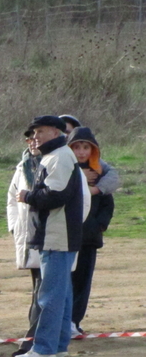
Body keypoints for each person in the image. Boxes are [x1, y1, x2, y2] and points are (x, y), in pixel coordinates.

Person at [14, 116, 85, 357]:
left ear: (55, 132)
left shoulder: (60, 157)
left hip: (57, 235)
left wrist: (27, 196)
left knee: (50, 295)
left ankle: (44, 348)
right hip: (58, 234)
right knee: (62, 293)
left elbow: (55, 195)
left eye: (40, 131)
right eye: (35, 132)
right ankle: (58, 345)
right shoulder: (56, 156)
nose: (36, 137)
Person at [66, 127, 119, 335]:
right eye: (77, 147)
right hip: (65, 235)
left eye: (86, 147)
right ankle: (61, 320)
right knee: (65, 280)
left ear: (93, 150)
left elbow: (108, 204)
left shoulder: (99, 173)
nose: (81, 152)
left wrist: (100, 225)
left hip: (89, 237)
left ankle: (74, 322)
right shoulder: (63, 169)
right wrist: (79, 178)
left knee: (82, 281)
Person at [6, 129, 42, 357]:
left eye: (36, 138)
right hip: (28, 238)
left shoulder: (57, 163)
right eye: (28, 139)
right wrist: (15, 227)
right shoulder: (23, 166)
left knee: (43, 292)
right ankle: (34, 338)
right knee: (38, 290)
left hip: (52, 239)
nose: (32, 143)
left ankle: (32, 341)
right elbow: (12, 198)